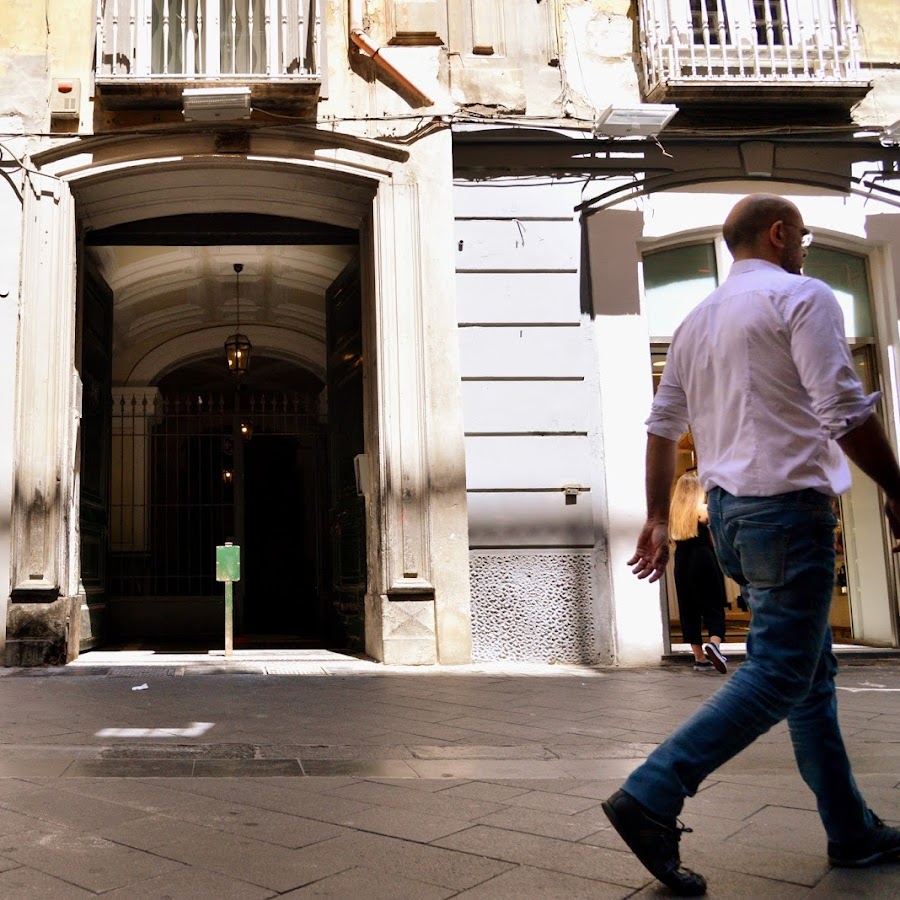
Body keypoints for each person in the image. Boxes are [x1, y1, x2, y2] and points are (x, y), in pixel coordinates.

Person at [602, 193, 900, 896]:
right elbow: (841, 405)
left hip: (734, 517)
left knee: (808, 679)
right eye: (801, 239)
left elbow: (662, 424)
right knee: (778, 675)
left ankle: (850, 830)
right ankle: (652, 793)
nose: (805, 252)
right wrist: (898, 486)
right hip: (786, 513)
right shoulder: (803, 297)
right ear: (778, 233)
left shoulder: (697, 320)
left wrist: (654, 516)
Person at [669, 472, 728, 673]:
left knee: (688, 607)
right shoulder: (703, 510)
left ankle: (699, 658)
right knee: (713, 602)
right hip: (703, 558)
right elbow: (717, 535)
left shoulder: (674, 513)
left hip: (682, 561)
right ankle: (714, 644)